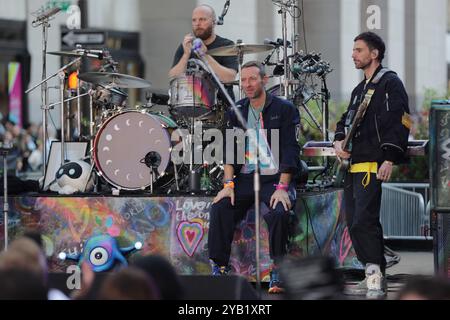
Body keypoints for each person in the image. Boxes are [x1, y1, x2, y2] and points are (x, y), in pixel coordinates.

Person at [208, 61, 300, 294]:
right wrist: (228, 185)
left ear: (264, 80)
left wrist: (282, 187)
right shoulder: (236, 110)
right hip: (246, 177)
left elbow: (290, 150)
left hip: (274, 178)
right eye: (243, 80)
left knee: (279, 211)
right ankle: (219, 267)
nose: (247, 84)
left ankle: (278, 270)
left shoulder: (283, 108)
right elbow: (230, 150)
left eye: (252, 79)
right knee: (220, 207)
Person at [333, 32, 410, 299]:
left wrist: (389, 158)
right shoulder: (359, 89)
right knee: (356, 222)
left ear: (374, 53)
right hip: (354, 164)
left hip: (372, 163)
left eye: (358, 50)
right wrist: (338, 139)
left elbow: (400, 121)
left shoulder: (390, 83)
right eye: (353, 50)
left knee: (363, 221)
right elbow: (344, 120)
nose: (353, 54)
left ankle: (375, 274)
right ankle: (373, 271)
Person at [169, 4, 238, 83]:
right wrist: (185, 55)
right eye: (194, 20)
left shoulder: (227, 45)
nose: (197, 23)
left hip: (219, 95)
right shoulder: (187, 45)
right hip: (191, 94)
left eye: (202, 19)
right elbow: (173, 77)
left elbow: (229, 78)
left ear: (214, 22)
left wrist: (205, 55)